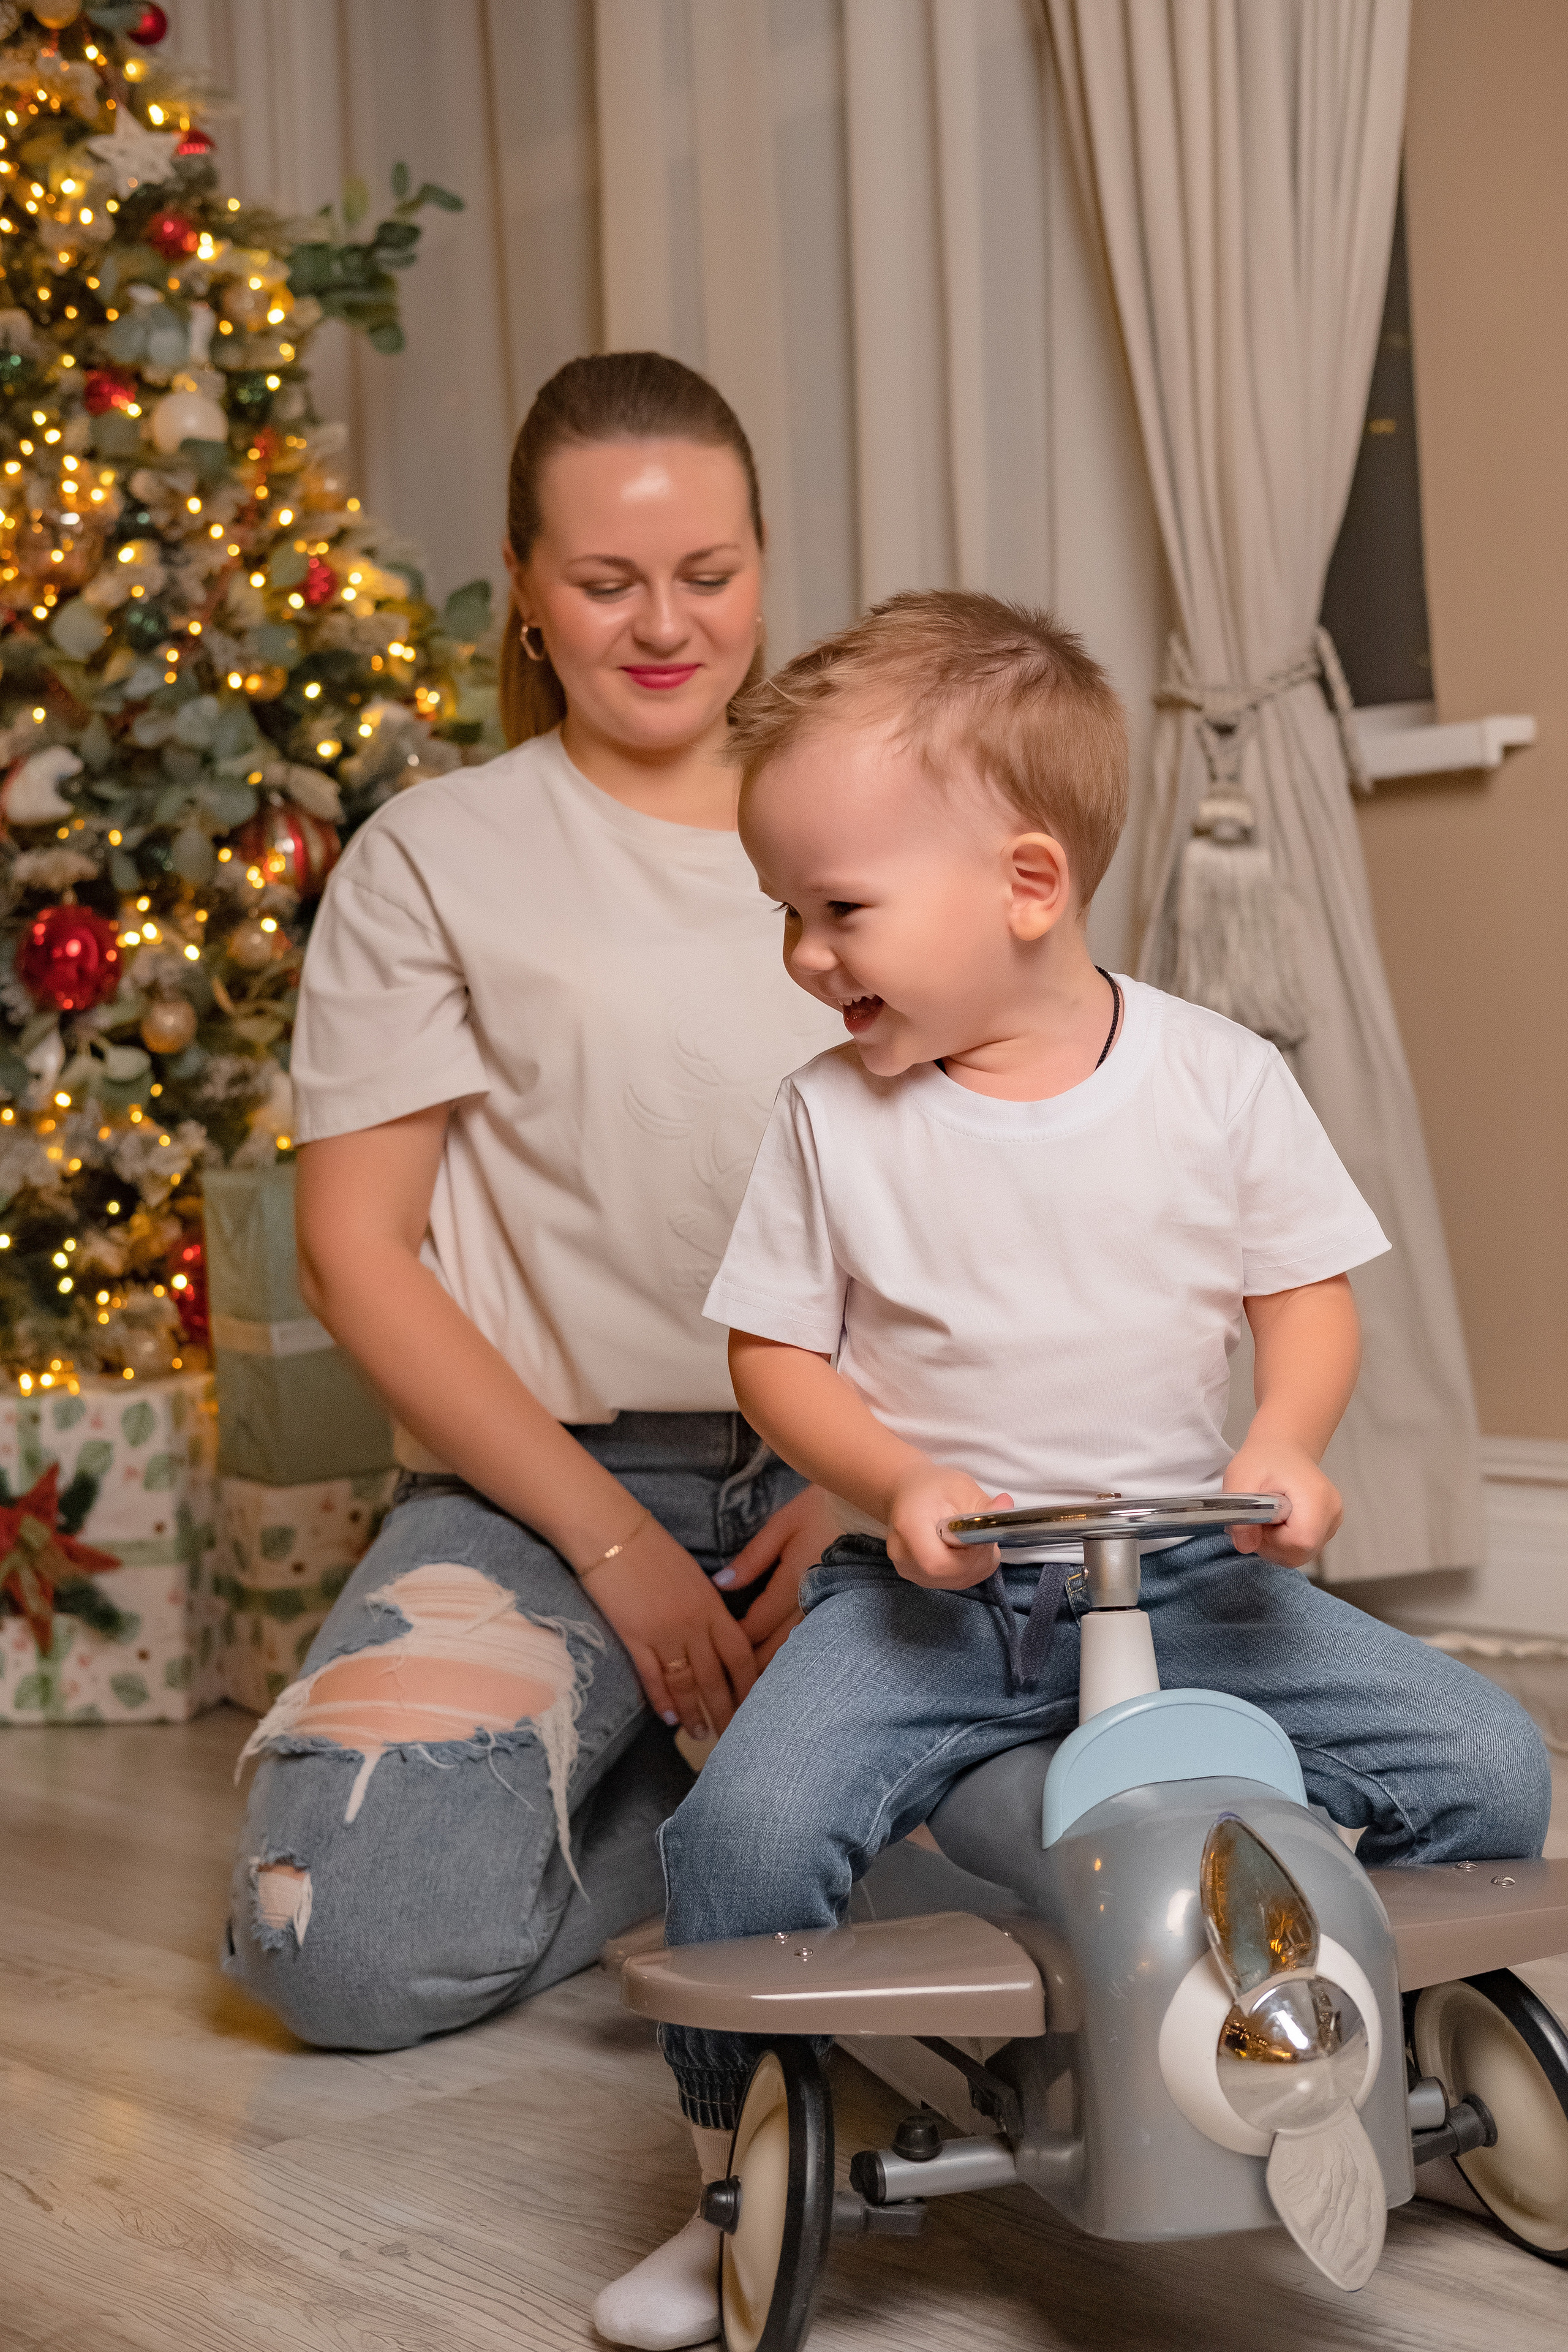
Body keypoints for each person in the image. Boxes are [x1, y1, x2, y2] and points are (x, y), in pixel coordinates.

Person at [592, 589, 1551, 2350]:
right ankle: (729, 2159)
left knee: (1488, 1757)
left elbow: (1305, 1302)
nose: (807, 954)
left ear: (1027, 887)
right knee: (744, 1829)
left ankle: (1367, 2037)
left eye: (841, 911)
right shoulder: (832, 1113)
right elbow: (773, 1357)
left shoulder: (1214, 1079)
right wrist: (892, 1478)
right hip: (936, 1599)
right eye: (784, 916)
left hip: (1194, 1581)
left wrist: (1283, 1444)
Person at [222, 353, 843, 2053]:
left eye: (709, 574)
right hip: (543, 1482)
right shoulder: (433, 856)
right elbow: (359, 1254)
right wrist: (620, 1546)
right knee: (329, 1951)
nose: (665, 623)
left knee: (1060, 1826)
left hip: (850, 1464)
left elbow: (1007, 1180)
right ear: (524, 588)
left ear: (765, 563)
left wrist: (871, 1489)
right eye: (606, 579)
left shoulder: (871, 821)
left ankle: (760, 1786)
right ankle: (701, 1812)